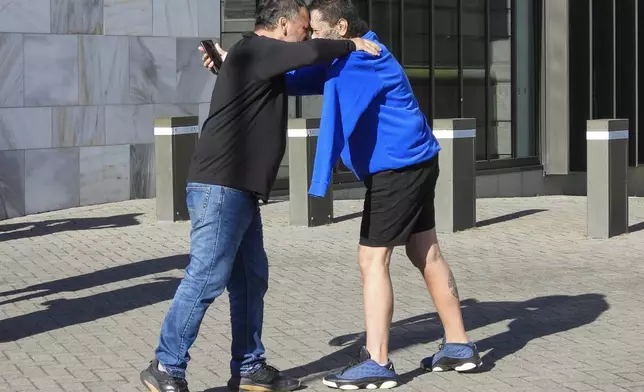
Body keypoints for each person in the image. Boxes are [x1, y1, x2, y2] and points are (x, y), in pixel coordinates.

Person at [206, 0, 482, 389]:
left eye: (316, 31)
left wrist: (320, 180)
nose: (312, 38)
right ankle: (458, 345)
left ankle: (378, 363)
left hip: (397, 169)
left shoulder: (360, 60)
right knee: (425, 251)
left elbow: (333, 116)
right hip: (416, 160)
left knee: (371, 259)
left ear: (339, 29)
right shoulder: (356, 53)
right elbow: (294, 76)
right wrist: (231, 63)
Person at [139, 0, 381, 391]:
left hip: (241, 190)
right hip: (221, 186)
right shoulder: (256, 48)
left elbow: (304, 64)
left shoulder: (251, 56)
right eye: (303, 27)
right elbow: (315, 51)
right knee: (206, 277)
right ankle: (166, 366)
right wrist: (353, 44)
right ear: (283, 25)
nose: (307, 34)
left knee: (251, 280)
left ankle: (250, 368)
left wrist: (224, 60)